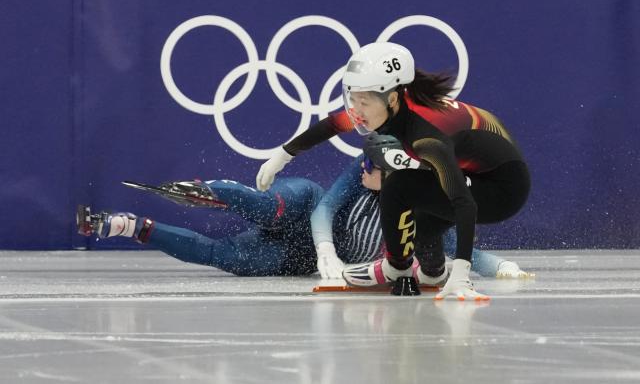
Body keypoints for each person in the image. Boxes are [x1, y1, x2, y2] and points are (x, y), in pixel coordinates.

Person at [255, 42, 530, 299]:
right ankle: (432, 271)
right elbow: (333, 125)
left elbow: (464, 203)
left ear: (393, 99)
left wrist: (461, 276)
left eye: (363, 102)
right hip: (478, 165)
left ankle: (396, 268)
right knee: (418, 223)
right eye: (353, 99)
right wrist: (282, 155)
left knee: (399, 184)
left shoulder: (427, 138)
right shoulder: (390, 105)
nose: (356, 111)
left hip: (503, 188)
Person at [77, 157, 530, 280]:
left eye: (380, 170)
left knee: (226, 258)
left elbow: (463, 254)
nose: (369, 170)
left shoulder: (426, 218)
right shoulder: (362, 169)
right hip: (307, 211)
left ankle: (130, 226)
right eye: (370, 165)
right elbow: (327, 209)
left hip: (296, 256)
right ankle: (209, 190)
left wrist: (506, 269)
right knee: (270, 204)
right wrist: (328, 250)